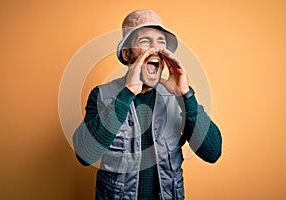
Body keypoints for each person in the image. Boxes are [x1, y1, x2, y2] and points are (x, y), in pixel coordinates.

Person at [73, 9, 222, 200]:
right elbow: (85, 155)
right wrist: (127, 94)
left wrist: (185, 95)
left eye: (161, 42)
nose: (156, 49)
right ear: (127, 54)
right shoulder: (102, 95)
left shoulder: (177, 96)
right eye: (145, 41)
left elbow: (213, 153)